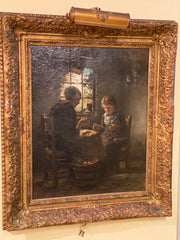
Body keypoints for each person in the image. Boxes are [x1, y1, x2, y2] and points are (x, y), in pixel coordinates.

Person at [49, 86, 87, 162]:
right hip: (61, 145)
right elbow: (72, 135)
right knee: (86, 144)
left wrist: (74, 120)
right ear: (74, 99)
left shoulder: (58, 105)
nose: (79, 102)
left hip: (51, 142)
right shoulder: (69, 109)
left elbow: (61, 124)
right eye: (78, 100)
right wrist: (79, 125)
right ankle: (79, 169)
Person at [92, 95, 127, 175]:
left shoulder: (119, 115)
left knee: (108, 146)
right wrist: (99, 127)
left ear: (114, 106)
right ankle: (101, 169)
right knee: (97, 144)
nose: (106, 110)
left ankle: (111, 169)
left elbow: (125, 129)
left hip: (118, 138)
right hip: (107, 136)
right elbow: (104, 128)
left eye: (109, 108)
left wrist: (117, 127)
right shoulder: (104, 115)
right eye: (105, 108)